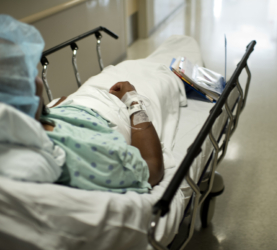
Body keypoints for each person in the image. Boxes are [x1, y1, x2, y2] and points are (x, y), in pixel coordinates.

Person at [0, 15, 164, 194]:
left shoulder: (26, 120)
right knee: (160, 68)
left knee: (125, 66)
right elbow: (153, 168)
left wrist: (59, 106)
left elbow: (51, 113)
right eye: (27, 72)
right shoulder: (92, 153)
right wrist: (133, 100)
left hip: (86, 97)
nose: (38, 79)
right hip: (119, 105)